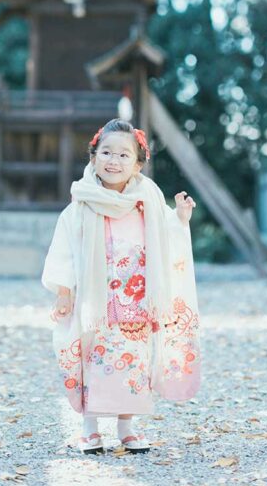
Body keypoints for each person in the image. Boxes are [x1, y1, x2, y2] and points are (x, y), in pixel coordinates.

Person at [42, 118, 200, 455]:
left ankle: (127, 427)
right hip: (94, 301)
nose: (114, 161)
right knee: (92, 362)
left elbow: (166, 235)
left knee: (133, 365)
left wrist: (181, 219)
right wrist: (64, 292)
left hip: (137, 301)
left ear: (139, 163)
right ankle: (89, 428)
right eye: (106, 152)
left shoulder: (148, 200)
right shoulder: (81, 202)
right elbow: (66, 249)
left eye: (124, 155)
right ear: (93, 157)